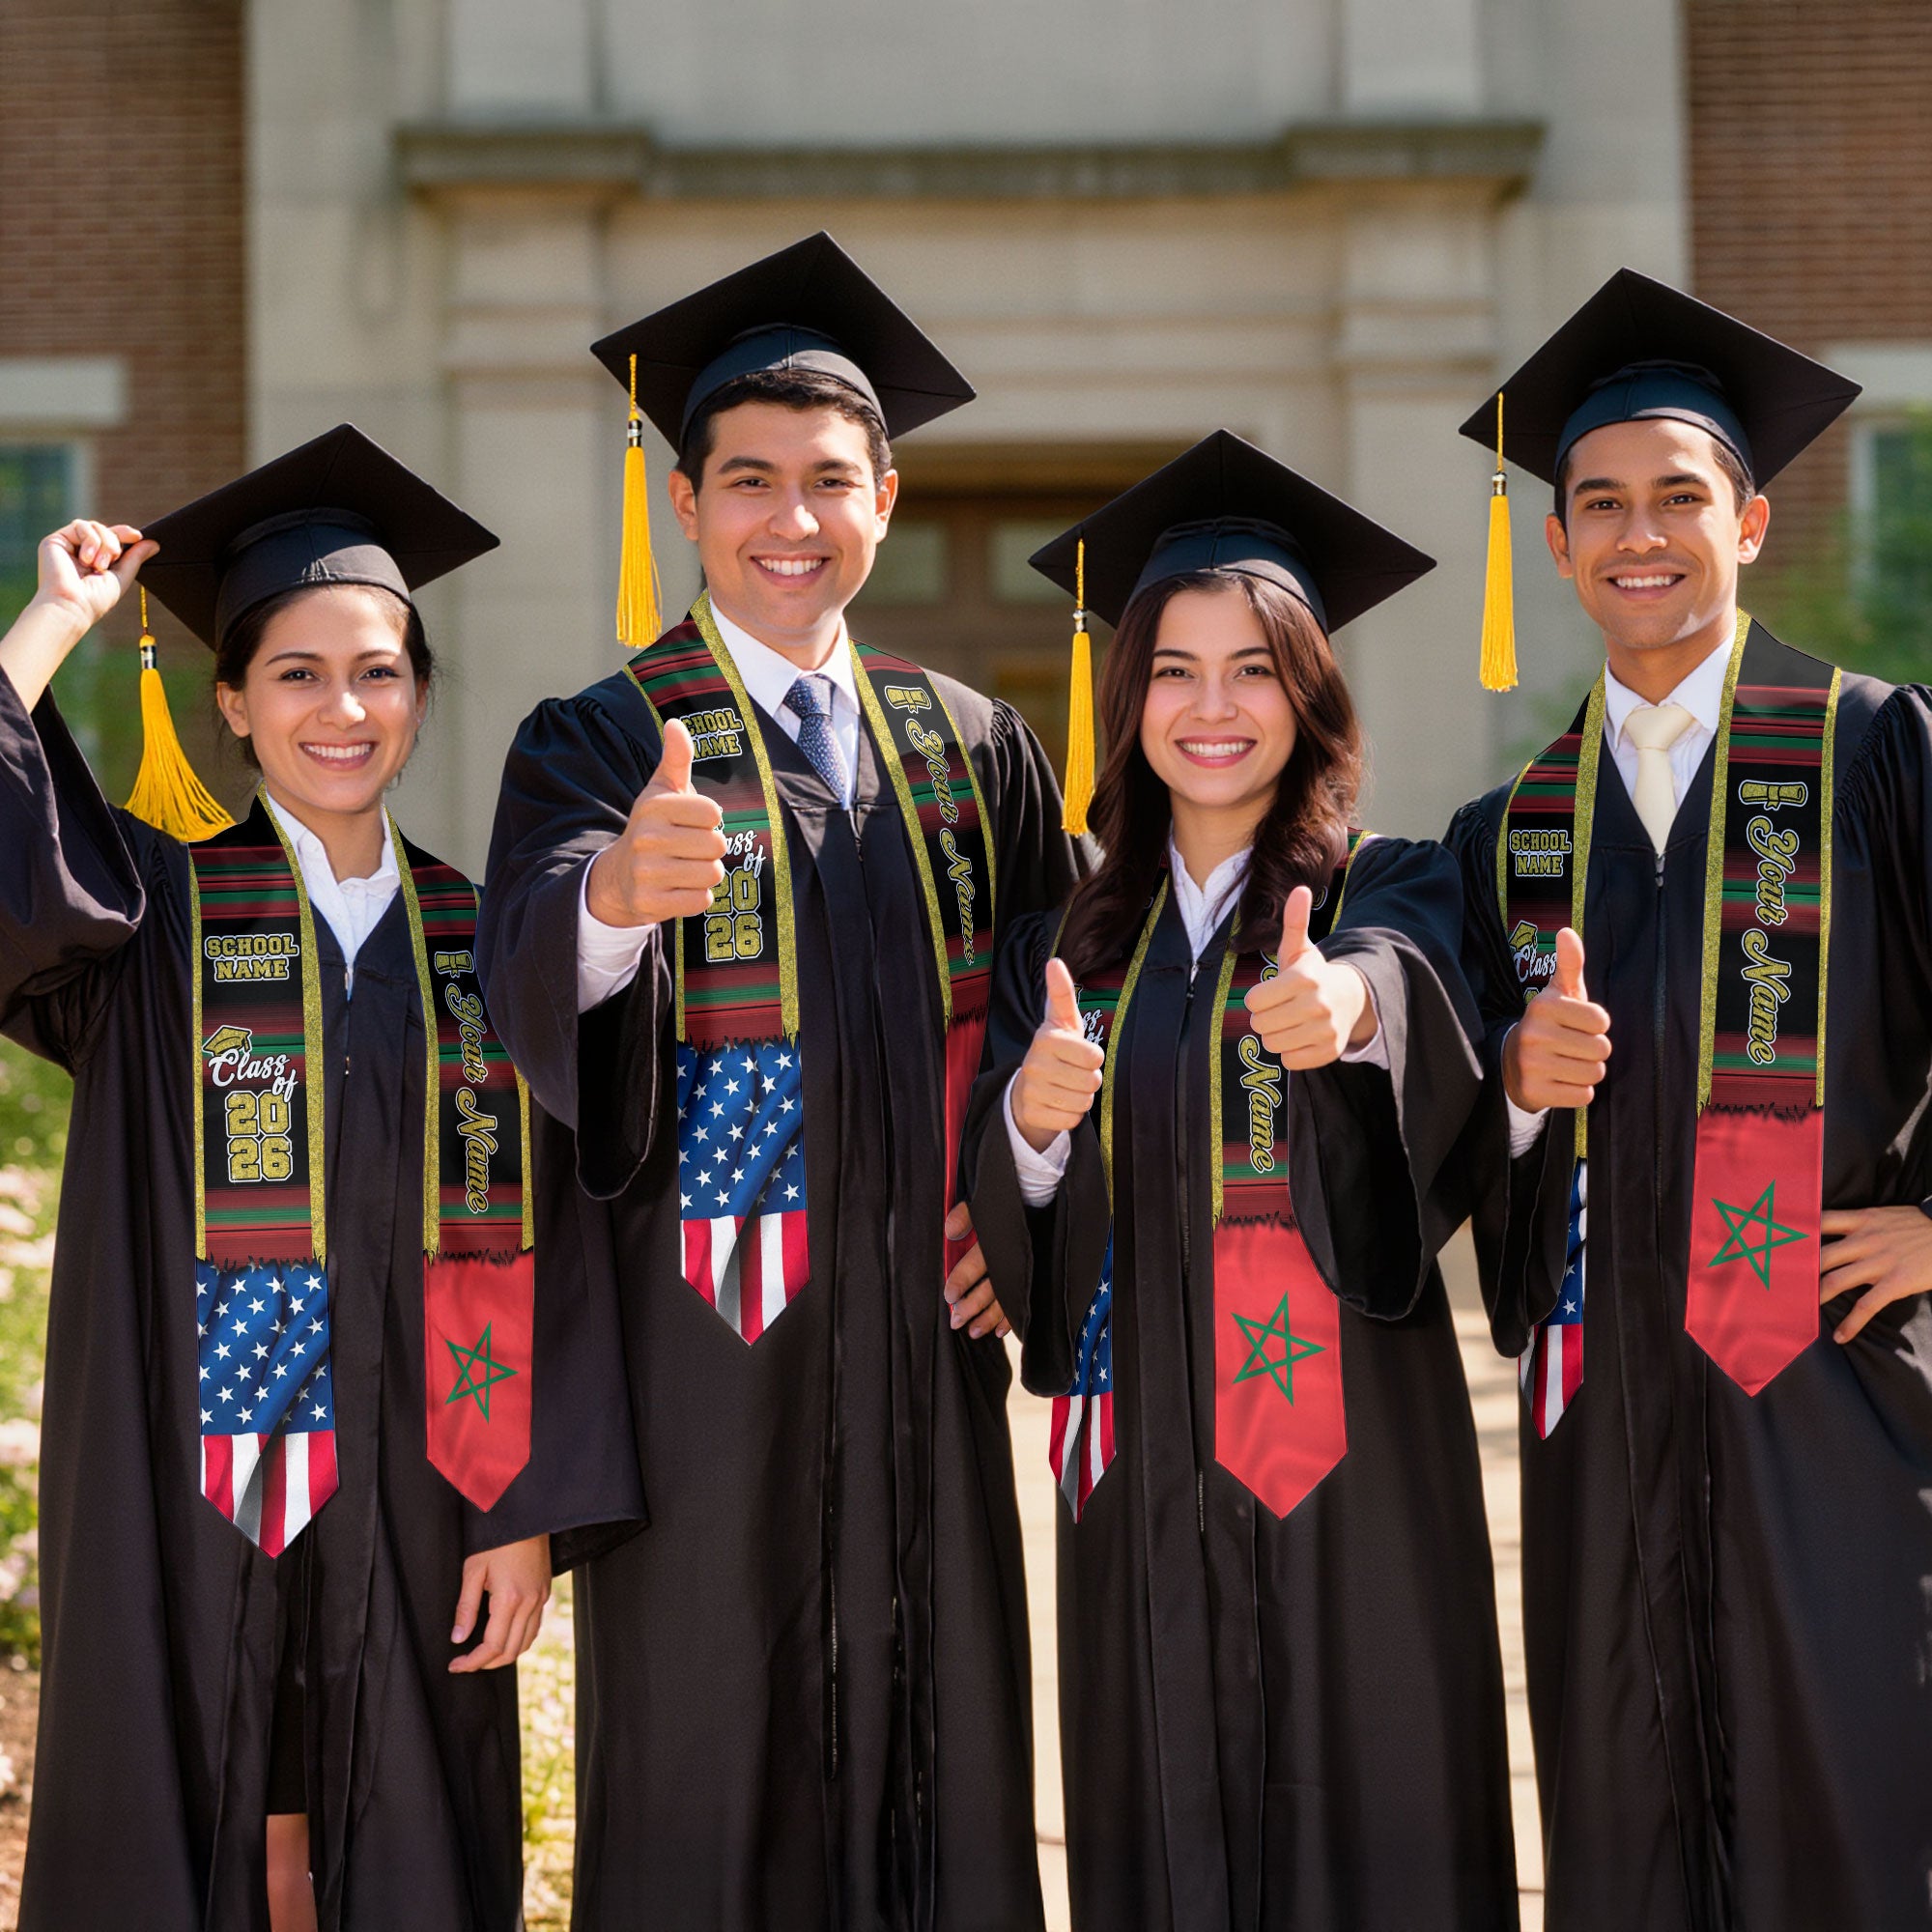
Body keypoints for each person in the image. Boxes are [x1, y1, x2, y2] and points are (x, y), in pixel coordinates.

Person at [478, 233, 1082, 1931]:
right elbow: (522, 971)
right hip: (705, 1370)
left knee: (943, 1764)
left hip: (923, 1358)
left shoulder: (971, 745)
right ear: (686, 503)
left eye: (831, 481)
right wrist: (610, 899)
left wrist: (1020, 1196)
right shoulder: (600, 738)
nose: (790, 519)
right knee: (709, 1779)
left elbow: (1076, 1003)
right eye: (749, 481)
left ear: (886, 497)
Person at [0, 425, 641, 1932]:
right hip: (185, 1481)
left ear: (419, 694)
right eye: (295, 673)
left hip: (431, 1487)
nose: (340, 708)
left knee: (409, 1830)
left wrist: (527, 1507)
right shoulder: (147, 917)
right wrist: (51, 624)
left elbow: (568, 1240)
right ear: (230, 701)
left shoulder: (494, 942)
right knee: (192, 1802)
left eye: (378, 670)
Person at [965, 431, 1519, 1931]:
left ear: (1311, 693)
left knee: (1377, 1818)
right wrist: (1027, 1117)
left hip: (1355, 1473)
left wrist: (1348, 1015)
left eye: (1256, 669)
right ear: (1127, 697)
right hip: (1140, 1466)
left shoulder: (1388, 886)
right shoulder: (1064, 948)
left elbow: (1412, 993)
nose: (1215, 709)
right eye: (1175, 671)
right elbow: (1015, 1207)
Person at [1446, 270, 1932, 1931]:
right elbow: (1448, 1137)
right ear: (1561, 543)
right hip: (1606, 1416)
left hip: (1834, 1395)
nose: (1637, 534)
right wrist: (1512, 1090)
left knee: (1854, 1802)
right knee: (1624, 1814)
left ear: (1752, 520)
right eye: (1598, 505)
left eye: (1678, 497)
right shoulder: (1508, 832)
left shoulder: (1874, 752)